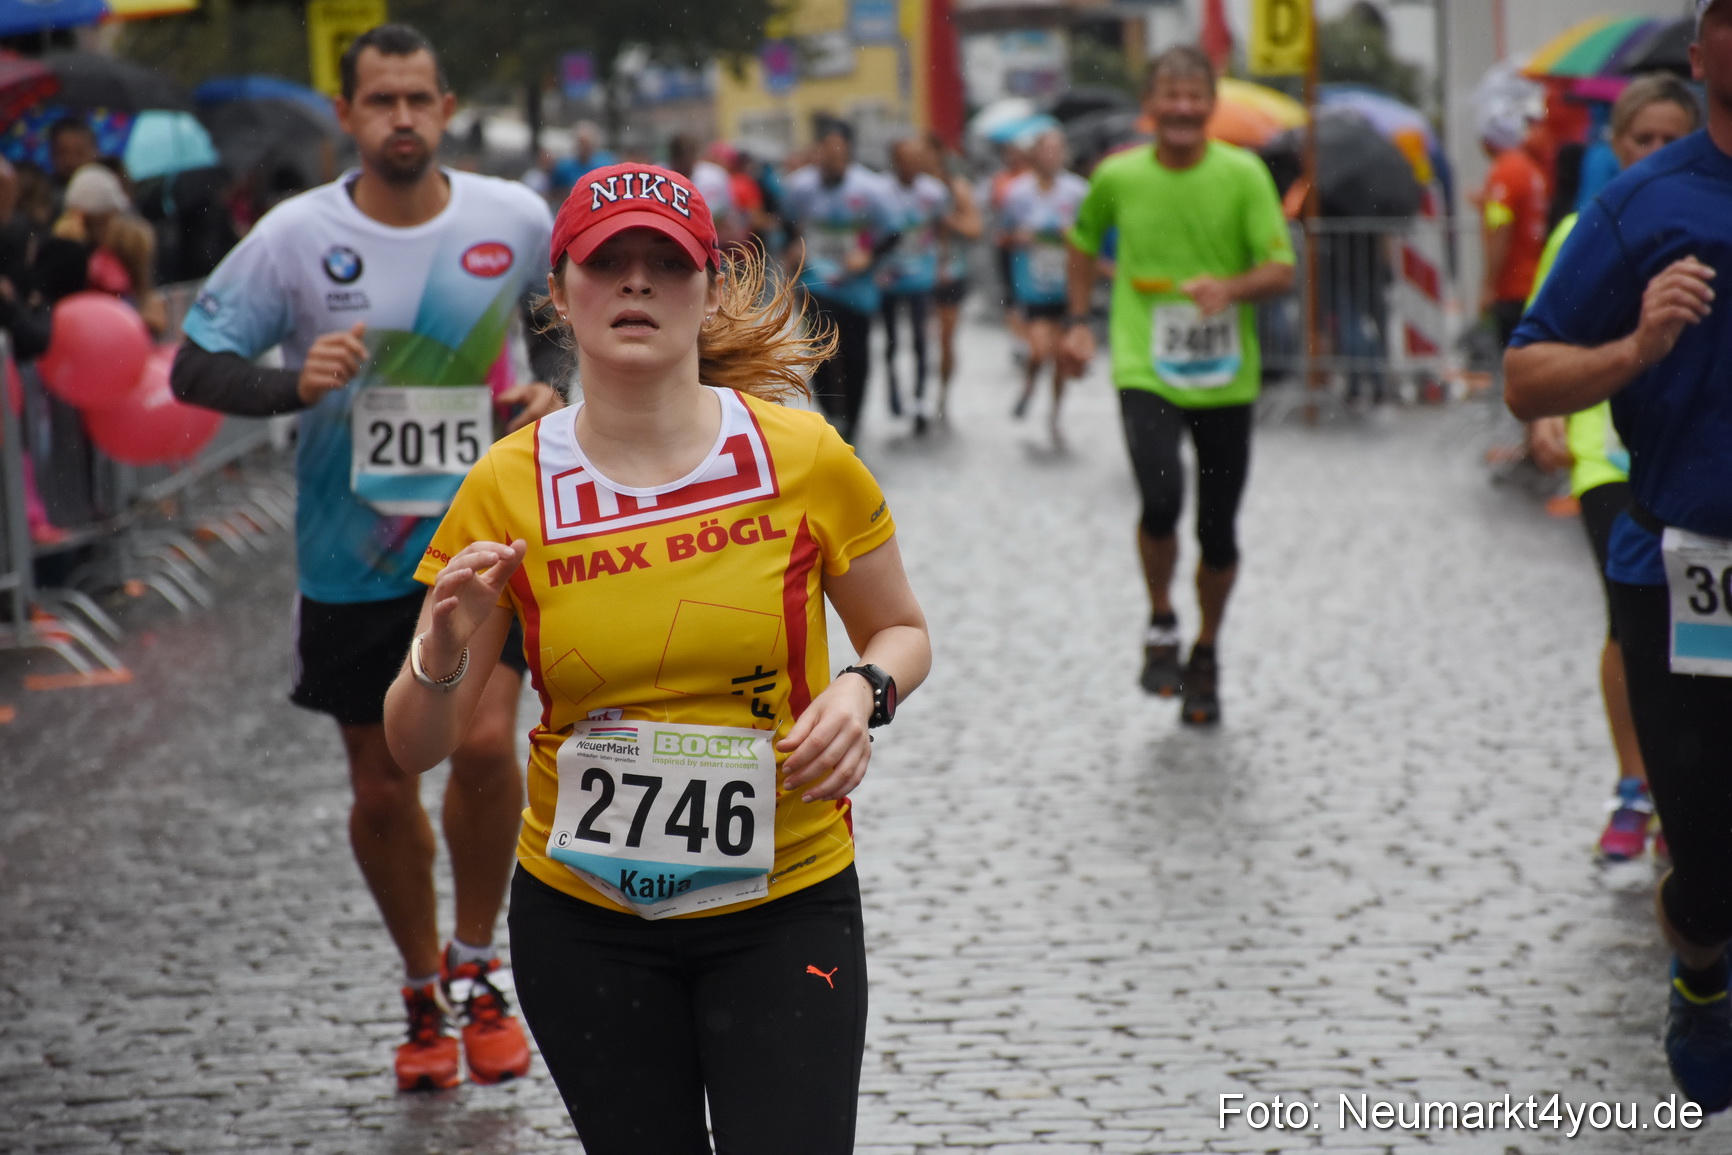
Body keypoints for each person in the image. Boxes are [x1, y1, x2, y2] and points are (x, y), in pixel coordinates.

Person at [382, 161, 931, 1152]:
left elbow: (903, 632)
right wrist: (441, 649)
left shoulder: (803, 457)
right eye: (607, 261)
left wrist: (862, 690)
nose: (636, 283)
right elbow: (417, 746)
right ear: (560, 292)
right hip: (584, 921)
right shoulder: (506, 485)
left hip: (787, 900)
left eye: (665, 263)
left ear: (708, 288)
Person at [168, 24, 563, 1092]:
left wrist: (549, 387)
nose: (401, 119)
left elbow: (558, 328)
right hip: (350, 555)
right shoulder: (297, 238)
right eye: (379, 101)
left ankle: (481, 967)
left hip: (485, 546)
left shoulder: (513, 219)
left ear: (445, 108)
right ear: (347, 115)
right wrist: (291, 387)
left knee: (485, 751)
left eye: (419, 100)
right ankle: (420, 989)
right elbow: (194, 369)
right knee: (384, 791)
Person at [1505, 0, 1732, 1112]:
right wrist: (1638, 345)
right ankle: (1699, 970)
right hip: (1684, 565)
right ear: (1700, 54)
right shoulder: (1643, 206)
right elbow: (1524, 376)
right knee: (1705, 861)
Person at [1060, 45, 1294, 726]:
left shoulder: (1245, 174)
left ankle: (1206, 652)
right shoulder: (1117, 175)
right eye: (1172, 94)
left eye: (1197, 95)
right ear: (1151, 105)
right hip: (1145, 360)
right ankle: (1163, 617)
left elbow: (1280, 267)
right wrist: (1078, 321)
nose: (1185, 107)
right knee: (1161, 497)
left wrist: (1232, 286)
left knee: (1218, 529)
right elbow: (1081, 240)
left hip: (1225, 376)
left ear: (1212, 104)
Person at [1524, 75, 1699, 864]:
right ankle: (1635, 783)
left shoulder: (1705, 218)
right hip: (1610, 457)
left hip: (1693, 455)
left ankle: (1689, 787)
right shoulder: (1586, 229)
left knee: (1695, 628)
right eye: (1641, 140)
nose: (1655, 154)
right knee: (1625, 620)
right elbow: (1541, 344)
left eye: (1671, 140)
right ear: (1614, 145)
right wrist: (1553, 414)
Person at [782, 119, 902, 444]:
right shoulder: (800, 186)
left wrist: (869, 255)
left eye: (839, 149)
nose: (832, 156)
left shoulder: (871, 188)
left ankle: (853, 417)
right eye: (826, 148)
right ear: (816, 150)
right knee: (819, 350)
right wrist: (792, 246)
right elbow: (788, 222)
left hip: (857, 286)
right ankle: (832, 415)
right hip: (815, 283)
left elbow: (893, 231)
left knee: (854, 353)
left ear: (848, 151)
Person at [1000, 128, 1087, 441]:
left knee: (1062, 357)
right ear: (1035, 154)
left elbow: (1090, 240)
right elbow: (1001, 238)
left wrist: (1072, 239)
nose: (1051, 156)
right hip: (1032, 287)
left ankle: (1055, 412)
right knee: (1039, 351)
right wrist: (1017, 239)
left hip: (1067, 288)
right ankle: (1030, 383)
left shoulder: (1078, 192)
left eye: (1057, 150)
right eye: (1045, 150)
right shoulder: (1017, 193)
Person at [879, 136, 949, 433]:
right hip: (889, 276)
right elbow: (869, 230)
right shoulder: (880, 191)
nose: (911, 164)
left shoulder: (934, 192)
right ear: (894, 160)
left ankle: (920, 399)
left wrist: (943, 264)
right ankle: (894, 389)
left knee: (921, 339)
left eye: (916, 158)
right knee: (891, 340)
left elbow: (941, 228)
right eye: (904, 158)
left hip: (921, 274)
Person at [1477, 110, 1550, 348]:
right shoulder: (1529, 167)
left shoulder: (1505, 171)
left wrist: (1488, 285)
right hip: (1532, 279)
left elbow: (1501, 227)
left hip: (1512, 285)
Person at [929, 132, 983, 422]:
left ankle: (942, 393)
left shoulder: (956, 187)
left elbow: (976, 227)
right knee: (916, 339)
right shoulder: (906, 187)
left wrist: (951, 221)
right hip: (915, 274)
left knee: (945, 339)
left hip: (949, 273)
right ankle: (917, 393)